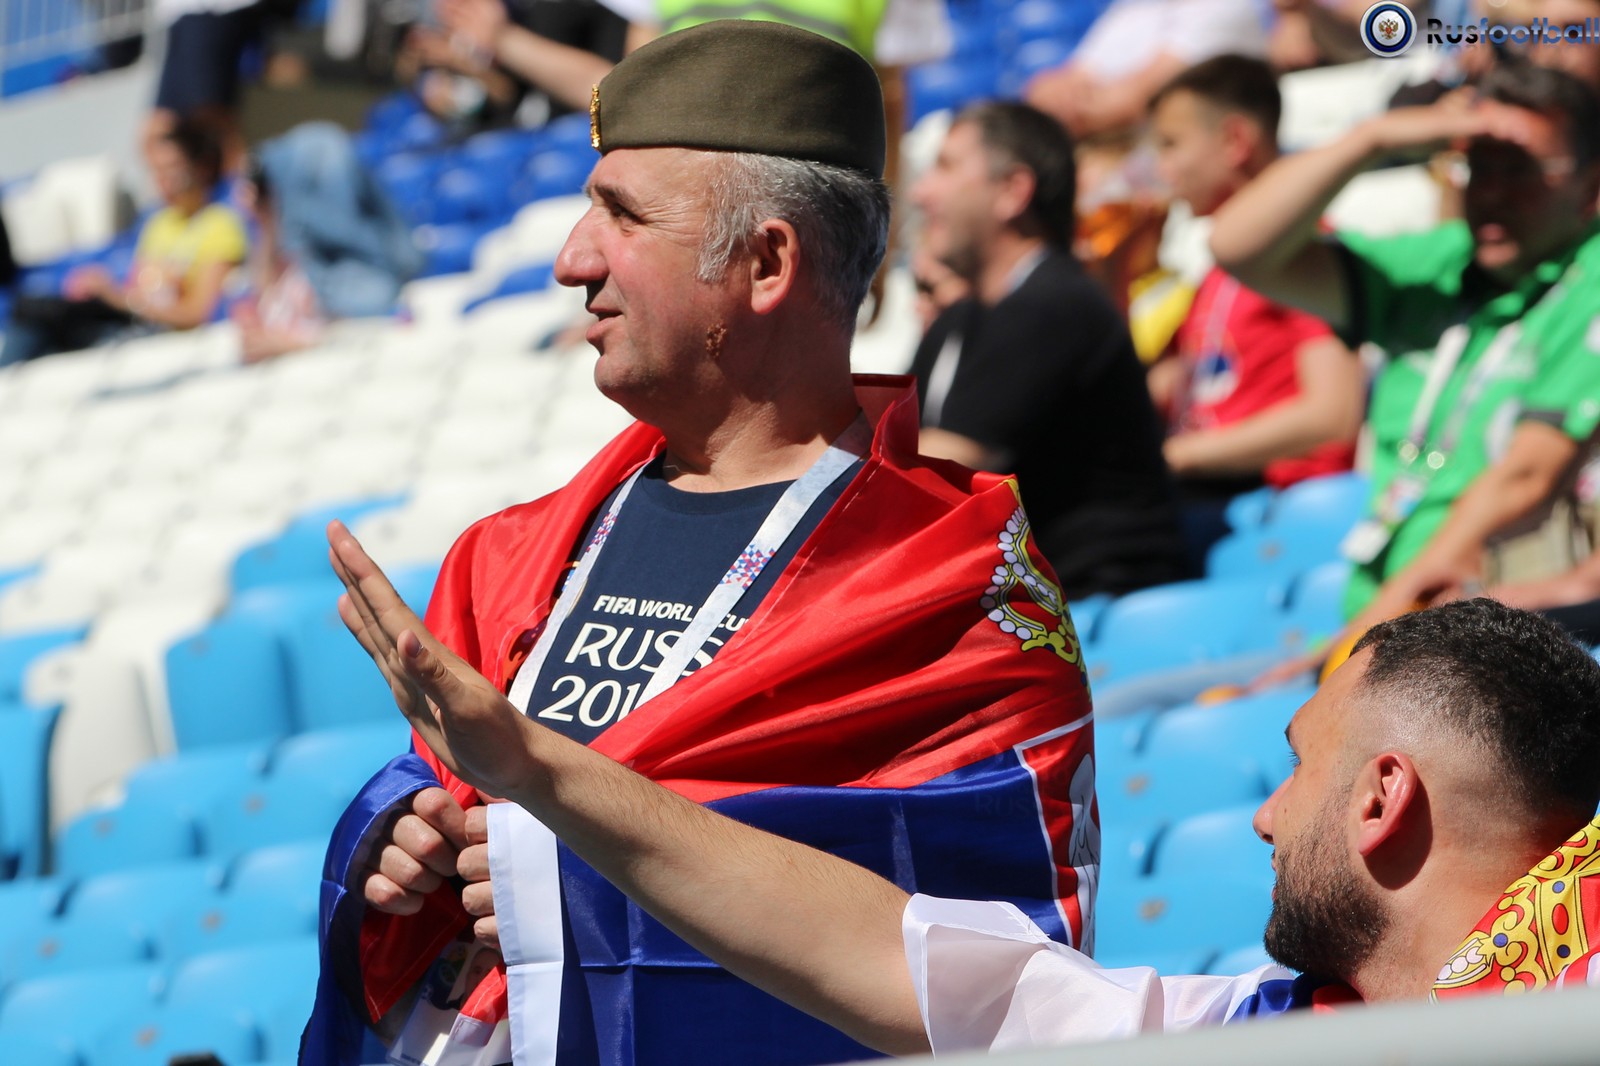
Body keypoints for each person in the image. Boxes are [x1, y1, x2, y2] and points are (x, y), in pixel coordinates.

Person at [302, 21, 1097, 1066]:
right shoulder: (502, 560)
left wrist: (561, 878)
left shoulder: (954, 584)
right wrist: (403, 842)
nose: (570, 260)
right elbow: (441, 809)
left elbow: (1000, 973)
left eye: (622, 215)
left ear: (766, 262)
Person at [327, 522, 1600, 1055]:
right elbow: (880, 950)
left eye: (1297, 768)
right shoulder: (1242, 1030)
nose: (1264, 814)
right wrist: (541, 772)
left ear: (1381, 799)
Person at [1209, 61, 1600, 669]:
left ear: (1590, 186)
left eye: (1521, 170)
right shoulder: (1443, 260)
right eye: (1480, 166)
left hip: (1474, 643)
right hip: (1376, 623)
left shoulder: (1591, 280)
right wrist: (1373, 139)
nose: (1493, 192)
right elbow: (1238, 248)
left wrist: (1359, 648)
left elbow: (1523, 478)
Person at [908, 101, 1188, 599]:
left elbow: (938, 468)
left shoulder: (1056, 304)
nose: (920, 192)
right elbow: (893, 440)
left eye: (946, 167)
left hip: (1094, 604)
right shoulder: (959, 320)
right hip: (1022, 605)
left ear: (1012, 191)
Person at [1146, 55, 1363, 566]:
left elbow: (1332, 416)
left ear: (1235, 141)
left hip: (1275, 509)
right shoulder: (1216, 274)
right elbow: (1167, 392)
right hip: (1215, 500)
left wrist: (1182, 456)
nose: (1162, 169)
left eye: (1171, 144)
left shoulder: (1303, 258)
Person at [0, 119, 247, 367]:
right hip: (134, 325)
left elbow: (197, 312)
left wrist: (116, 297)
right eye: (157, 172)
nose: (163, 181)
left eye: (172, 169)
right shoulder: (159, 223)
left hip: (152, 333)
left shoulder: (220, 226)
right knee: (37, 318)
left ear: (201, 167)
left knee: (41, 325)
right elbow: (136, 290)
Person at [1024, 0, 1272, 140]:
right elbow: (1044, 93)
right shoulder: (1134, 10)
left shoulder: (1228, 6)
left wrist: (1084, 99)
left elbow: (1131, 103)